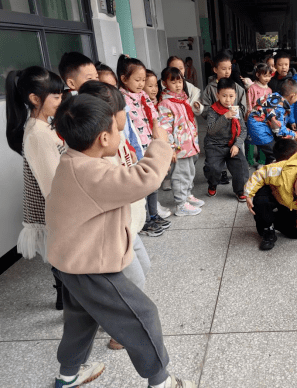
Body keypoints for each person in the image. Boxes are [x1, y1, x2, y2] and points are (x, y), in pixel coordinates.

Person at [47, 94, 196, 388]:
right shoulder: (92, 173)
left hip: (71, 262)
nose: (121, 133)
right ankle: (161, 381)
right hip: (92, 267)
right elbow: (146, 179)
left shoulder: (72, 161)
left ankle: (68, 374)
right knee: (142, 315)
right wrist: (160, 140)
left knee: (81, 319)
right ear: (103, 138)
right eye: (118, 129)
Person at [78, 80, 152, 350]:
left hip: (128, 224)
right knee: (133, 280)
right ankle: (120, 332)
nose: (127, 114)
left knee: (142, 271)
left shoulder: (114, 143)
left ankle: (116, 319)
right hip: (114, 231)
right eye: (123, 109)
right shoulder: (99, 156)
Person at [5, 66, 65, 310]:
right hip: (57, 211)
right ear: (34, 99)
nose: (61, 101)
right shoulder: (37, 134)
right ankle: (69, 303)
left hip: (59, 209)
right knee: (63, 263)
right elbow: (52, 185)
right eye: (57, 96)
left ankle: (67, 300)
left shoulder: (44, 126)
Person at [117, 54, 171, 236]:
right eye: (137, 80)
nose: (141, 84)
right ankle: (145, 219)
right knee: (143, 186)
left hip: (149, 144)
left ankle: (154, 214)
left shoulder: (142, 95)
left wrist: (157, 129)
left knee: (153, 183)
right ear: (124, 79)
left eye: (143, 80)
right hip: (137, 148)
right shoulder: (121, 98)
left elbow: (154, 115)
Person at [244, 151, 297, 252]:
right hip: (272, 192)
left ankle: (270, 218)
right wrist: (248, 193)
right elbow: (260, 174)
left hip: (289, 203)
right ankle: (267, 227)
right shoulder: (282, 170)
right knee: (261, 202)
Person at [157, 67, 205, 216]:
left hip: (189, 145)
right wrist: (171, 148)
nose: (178, 85)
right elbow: (165, 129)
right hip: (179, 148)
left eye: (180, 81)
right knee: (180, 176)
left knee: (189, 173)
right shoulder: (166, 104)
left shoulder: (182, 98)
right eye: (173, 82)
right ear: (165, 83)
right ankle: (181, 204)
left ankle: (187, 196)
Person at [201, 52, 248, 185]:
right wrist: (216, 113)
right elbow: (205, 108)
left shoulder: (237, 88)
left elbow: (243, 106)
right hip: (217, 128)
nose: (227, 71)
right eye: (223, 68)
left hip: (234, 128)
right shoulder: (210, 88)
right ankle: (220, 174)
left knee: (239, 153)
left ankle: (240, 182)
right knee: (217, 158)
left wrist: (236, 111)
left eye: (229, 68)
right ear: (215, 69)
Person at [203, 78, 248, 200]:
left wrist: (237, 145)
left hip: (231, 145)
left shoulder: (235, 110)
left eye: (231, 96)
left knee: (241, 168)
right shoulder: (212, 110)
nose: (228, 99)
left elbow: (243, 130)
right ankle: (212, 184)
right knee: (213, 168)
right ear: (217, 95)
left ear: (235, 96)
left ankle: (239, 191)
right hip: (214, 146)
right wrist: (225, 116)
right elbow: (211, 130)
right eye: (224, 96)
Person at [247, 79, 297, 164]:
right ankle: (273, 174)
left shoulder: (275, 97)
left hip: (256, 126)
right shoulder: (279, 108)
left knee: (271, 154)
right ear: (292, 96)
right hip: (260, 131)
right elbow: (279, 130)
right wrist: (293, 134)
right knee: (275, 155)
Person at [245, 63, 273, 168]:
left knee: (263, 139)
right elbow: (249, 104)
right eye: (264, 75)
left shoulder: (269, 90)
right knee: (250, 140)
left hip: (265, 120)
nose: (267, 78)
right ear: (257, 74)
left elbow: (270, 105)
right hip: (253, 118)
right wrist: (249, 116)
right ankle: (249, 160)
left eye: (269, 76)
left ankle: (262, 160)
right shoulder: (252, 88)